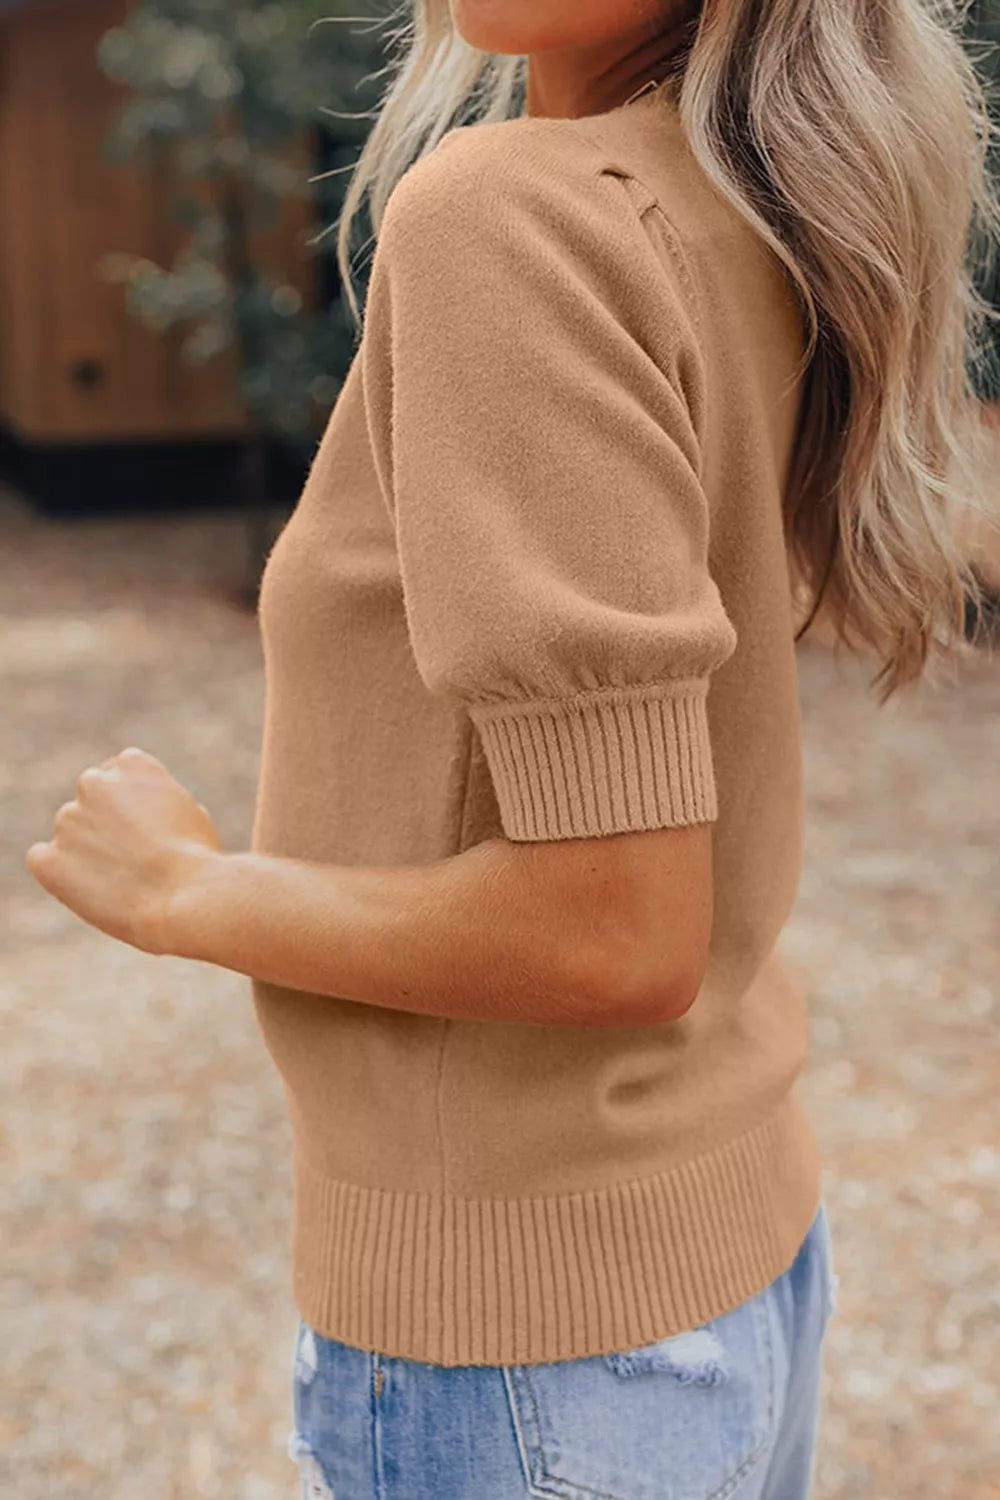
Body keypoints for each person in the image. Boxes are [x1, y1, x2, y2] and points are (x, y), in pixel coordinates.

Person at [25, 2, 1000, 1497]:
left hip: (530, 1348)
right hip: (723, 1256)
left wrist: (188, 894)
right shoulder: (739, 209)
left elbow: (613, 929)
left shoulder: (515, 220)